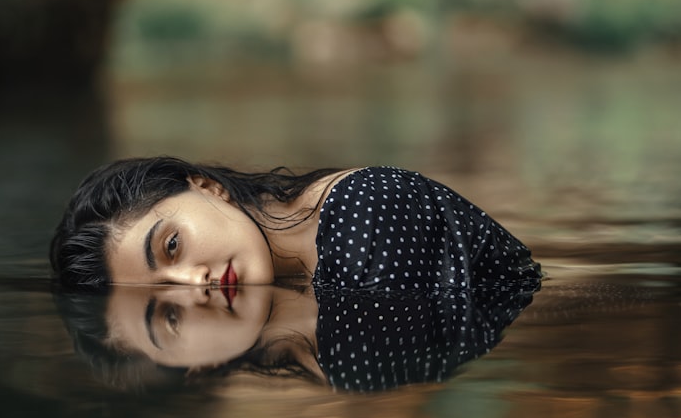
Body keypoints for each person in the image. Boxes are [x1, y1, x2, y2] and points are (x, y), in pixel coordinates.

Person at [50, 156, 541, 390]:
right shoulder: (307, 335)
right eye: (168, 316)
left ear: (205, 187)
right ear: (192, 366)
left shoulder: (360, 218)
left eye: (172, 246)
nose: (192, 285)